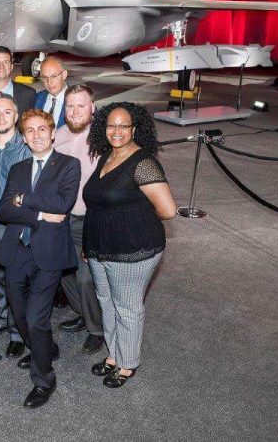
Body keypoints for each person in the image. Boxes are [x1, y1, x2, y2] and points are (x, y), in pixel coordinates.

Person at [83, 102, 176, 388]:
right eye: (111, 125)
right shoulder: (107, 155)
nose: (117, 131)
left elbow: (168, 210)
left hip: (133, 250)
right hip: (100, 246)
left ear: (134, 129)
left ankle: (127, 364)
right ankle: (114, 355)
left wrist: (134, 219)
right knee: (106, 302)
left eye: (123, 126)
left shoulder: (143, 163)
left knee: (127, 308)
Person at [0, 109, 80, 408]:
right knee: (19, 313)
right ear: (23, 137)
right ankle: (43, 348)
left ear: (53, 132)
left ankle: (44, 380)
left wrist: (24, 200)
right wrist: (41, 215)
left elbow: (63, 203)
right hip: (17, 250)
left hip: (49, 253)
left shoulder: (68, 165)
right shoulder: (18, 168)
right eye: (29, 131)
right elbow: (4, 210)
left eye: (42, 129)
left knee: (35, 317)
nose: (36, 135)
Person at [53, 84, 105, 354]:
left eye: (81, 106)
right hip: (62, 220)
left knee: (85, 279)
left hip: (90, 221)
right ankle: (84, 314)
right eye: (70, 106)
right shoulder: (57, 136)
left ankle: (97, 329)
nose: (74, 112)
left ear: (92, 107)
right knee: (63, 273)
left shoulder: (103, 139)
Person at [0, 94, 31, 358]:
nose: (2, 117)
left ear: (16, 116)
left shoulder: (26, 146)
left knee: (15, 279)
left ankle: (16, 333)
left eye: (7, 112)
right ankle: (2, 318)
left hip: (15, 223)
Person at [33, 56, 68, 128]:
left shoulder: (78, 101)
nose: (49, 82)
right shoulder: (35, 98)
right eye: (45, 77)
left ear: (64, 75)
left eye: (54, 76)